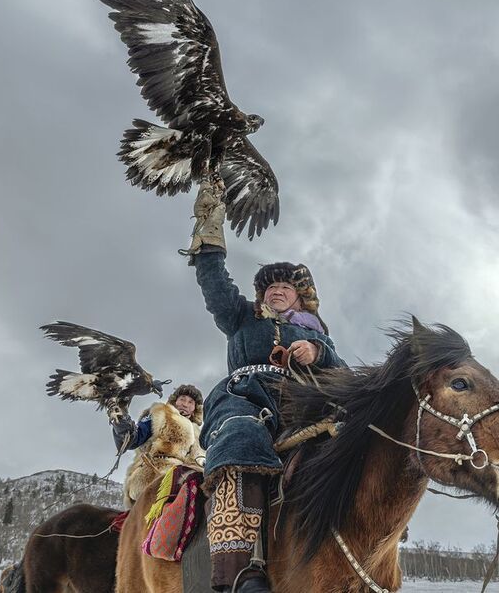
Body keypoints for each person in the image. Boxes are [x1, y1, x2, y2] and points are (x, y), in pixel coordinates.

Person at [184, 179, 347, 593]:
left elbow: (346, 378)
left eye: (285, 286)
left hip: (301, 406)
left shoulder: (317, 337)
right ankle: (240, 573)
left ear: (298, 298)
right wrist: (210, 230)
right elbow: (214, 281)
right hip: (244, 398)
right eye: (269, 286)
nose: (276, 289)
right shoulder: (241, 318)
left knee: (348, 445)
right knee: (242, 435)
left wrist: (319, 354)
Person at [112, 384, 205, 507]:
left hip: (187, 484)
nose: (185, 404)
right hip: (152, 476)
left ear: (195, 408)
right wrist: (123, 424)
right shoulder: (160, 414)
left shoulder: (200, 434)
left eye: (190, 402)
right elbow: (135, 438)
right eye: (182, 399)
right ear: (175, 400)